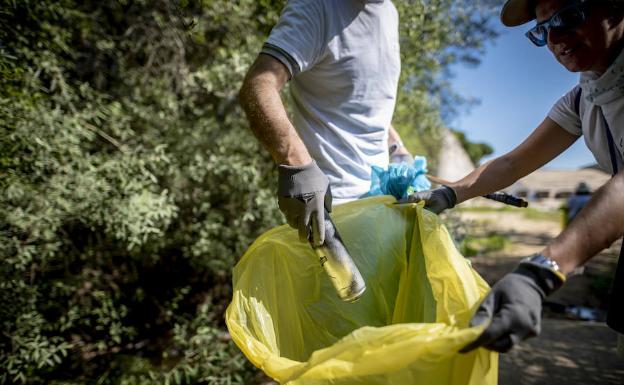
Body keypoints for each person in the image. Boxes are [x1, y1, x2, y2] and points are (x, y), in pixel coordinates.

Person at [409, 0, 624, 355]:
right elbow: (513, 163)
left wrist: (542, 271)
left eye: (569, 17)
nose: (556, 37)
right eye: (542, 31)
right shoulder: (585, 98)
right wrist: (449, 195)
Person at [239, 0, 412, 247]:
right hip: (331, 216)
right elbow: (257, 86)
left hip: (383, 207)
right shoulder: (316, 6)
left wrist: (397, 149)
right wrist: (296, 165)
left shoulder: (389, 12)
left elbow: (364, 98)